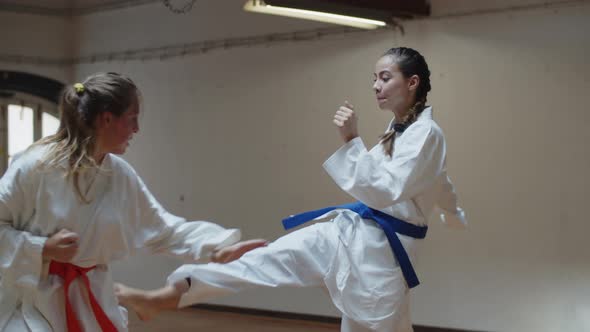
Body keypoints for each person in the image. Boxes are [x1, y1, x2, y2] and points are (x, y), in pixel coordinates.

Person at [115, 47, 467, 332]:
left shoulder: (426, 134)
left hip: (381, 256)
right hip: (355, 235)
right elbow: (439, 179)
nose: (375, 85)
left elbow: (387, 189)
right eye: (374, 78)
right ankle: (168, 294)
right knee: (269, 258)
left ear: (412, 83)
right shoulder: (402, 129)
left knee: (376, 324)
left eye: (385, 78)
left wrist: (351, 139)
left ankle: (170, 294)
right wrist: (453, 212)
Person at [0, 72, 267, 332]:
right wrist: (42, 248)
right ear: (106, 119)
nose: (136, 129)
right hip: (30, 300)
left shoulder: (119, 174)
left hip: (89, 298)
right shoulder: (35, 167)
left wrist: (217, 248)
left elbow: (162, 229)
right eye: (132, 119)